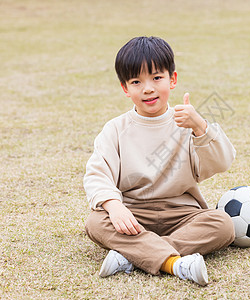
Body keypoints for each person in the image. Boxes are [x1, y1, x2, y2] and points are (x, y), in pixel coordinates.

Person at [84, 36, 236, 286]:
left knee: (222, 224)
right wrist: (114, 206)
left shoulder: (187, 123)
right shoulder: (115, 129)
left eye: (156, 78)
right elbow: (97, 174)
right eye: (136, 81)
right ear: (125, 88)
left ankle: (133, 256)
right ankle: (175, 264)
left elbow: (222, 162)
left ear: (172, 79)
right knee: (96, 221)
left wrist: (200, 126)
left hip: (182, 214)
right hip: (133, 215)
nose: (148, 88)